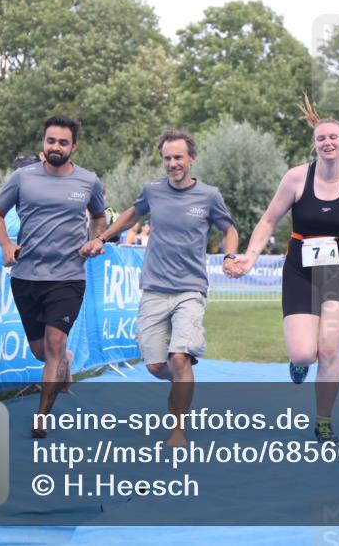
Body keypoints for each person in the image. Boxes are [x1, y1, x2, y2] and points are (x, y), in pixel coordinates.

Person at [227, 96, 339, 443]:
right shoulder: (296, 179)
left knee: (329, 348)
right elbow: (268, 220)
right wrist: (250, 256)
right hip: (300, 270)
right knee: (303, 353)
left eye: (333, 137)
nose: (327, 142)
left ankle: (323, 420)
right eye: (321, 138)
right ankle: (298, 364)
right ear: (315, 144)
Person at [81, 129, 238, 446]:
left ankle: (178, 429)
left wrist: (230, 255)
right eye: (167, 158)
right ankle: (184, 381)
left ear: (191, 159)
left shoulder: (209, 196)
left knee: (179, 357)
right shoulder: (152, 191)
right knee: (155, 366)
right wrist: (102, 237)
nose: (172, 163)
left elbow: (229, 228)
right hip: (154, 287)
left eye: (178, 157)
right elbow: (131, 215)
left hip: (190, 289)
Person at [0, 115, 106, 438]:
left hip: (68, 276)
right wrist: (6, 244)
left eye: (63, 142)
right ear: (44, 142)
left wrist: (95, 240)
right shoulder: (22, 178)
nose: (56, 147)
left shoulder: (88, 181)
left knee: (54, 344)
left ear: (74, 146)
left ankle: (41, 417)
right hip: (26, 275)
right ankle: (64, 359)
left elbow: (99, 216)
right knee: (42, 352)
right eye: (51, 140)